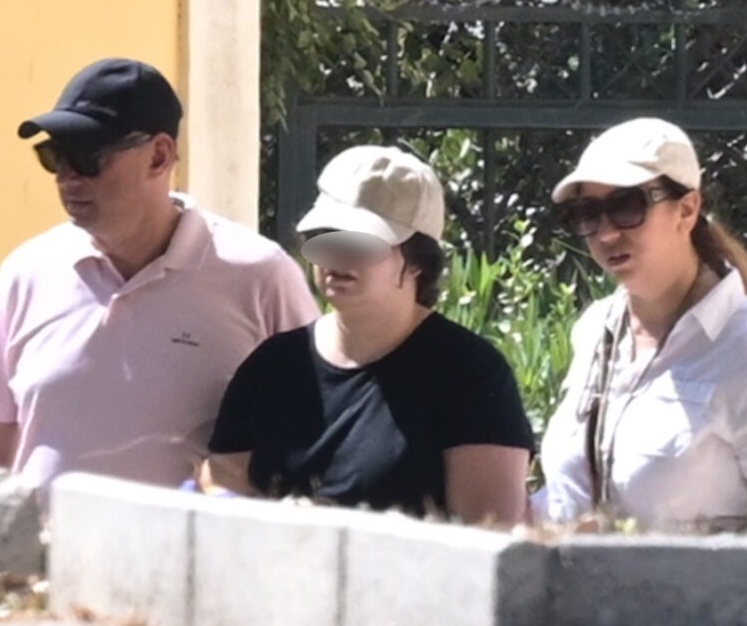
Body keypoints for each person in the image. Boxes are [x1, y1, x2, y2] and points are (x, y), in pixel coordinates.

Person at [0, 58, 319, 488]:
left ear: (159, 156)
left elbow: (312, 431)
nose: (66, 177)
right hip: (40, 536)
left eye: (86, 156)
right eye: (54, 156)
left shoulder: (260, 277)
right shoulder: (26, 273)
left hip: (191, 534)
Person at [535, 117, 747, 531]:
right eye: (586, 213)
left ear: (687, 209)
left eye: (627, 207)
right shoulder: (595, 332)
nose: (605, 233)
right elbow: (567, 497)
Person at [201, 145, 534, 525]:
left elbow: (488, 534)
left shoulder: (469, 374)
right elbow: (221, 491)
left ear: (417, 262)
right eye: (326, 236)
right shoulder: (273, 364)